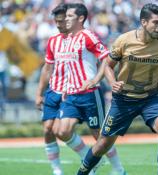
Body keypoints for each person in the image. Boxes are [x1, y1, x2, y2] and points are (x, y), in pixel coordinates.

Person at [77, 3, 158, 175]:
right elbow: (108, 66)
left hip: (151, 99)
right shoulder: (124, 41)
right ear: (143, 22)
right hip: (123, 100)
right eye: (155, 22)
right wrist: (112, 83)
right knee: (103, 144)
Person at [36, 3, 125, 175]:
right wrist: (65, 89)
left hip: (90, 94)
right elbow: (66, 67)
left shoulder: (88, 36)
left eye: (69, 17)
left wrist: (96, 79)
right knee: (62, 131)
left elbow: (107, 58)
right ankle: (89, 161)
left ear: (81, 18)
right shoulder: (64, 40)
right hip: (70, 95)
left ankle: (119, 169)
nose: (65, 20)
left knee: (99, 136)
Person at [35, 4, 70, 175]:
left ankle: (90, 158)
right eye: (56, 21)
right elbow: (47, 68)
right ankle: (57, 169)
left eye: (61, 21)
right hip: (53, 90)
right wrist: (39, 93)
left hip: (71, 92)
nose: (58, 25)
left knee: (61, 131)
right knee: (48, 129)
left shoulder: (81, 39)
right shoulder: (53, 41)